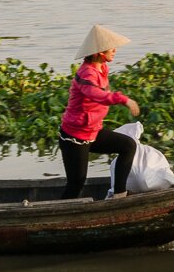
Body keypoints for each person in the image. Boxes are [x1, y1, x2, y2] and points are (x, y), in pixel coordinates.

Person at [59, 25, 140, 200]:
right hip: (75, 137)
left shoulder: (102, 68)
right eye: (111, 48)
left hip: (92, 132)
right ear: (100, 52)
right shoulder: (87, 73)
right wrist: (123, 99)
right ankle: (56, 217)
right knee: (76, 183)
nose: (115, 50)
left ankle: (119, 195)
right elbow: (96, 94)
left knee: (128, 146)